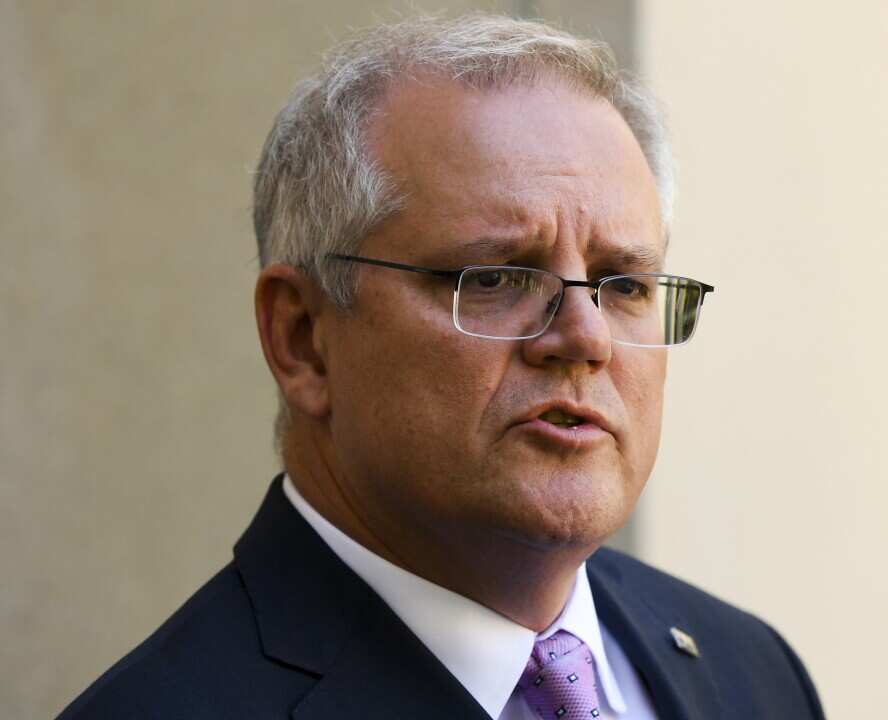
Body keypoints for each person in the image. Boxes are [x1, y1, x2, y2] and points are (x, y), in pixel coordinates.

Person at [59, 13, 823, 719]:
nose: (586, 337)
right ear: (302, 338)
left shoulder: (751, 671)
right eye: (494, 278)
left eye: (624, 285)